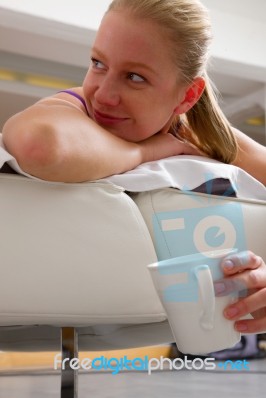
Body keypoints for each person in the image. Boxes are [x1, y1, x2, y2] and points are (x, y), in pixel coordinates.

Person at [2, 0, 266, 333]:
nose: (104, 95)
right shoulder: (74, 106)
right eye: (98, 63)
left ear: (187, 96)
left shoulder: (204, 137)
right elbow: (41, 147)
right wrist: (146, 151)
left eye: (135, 77)